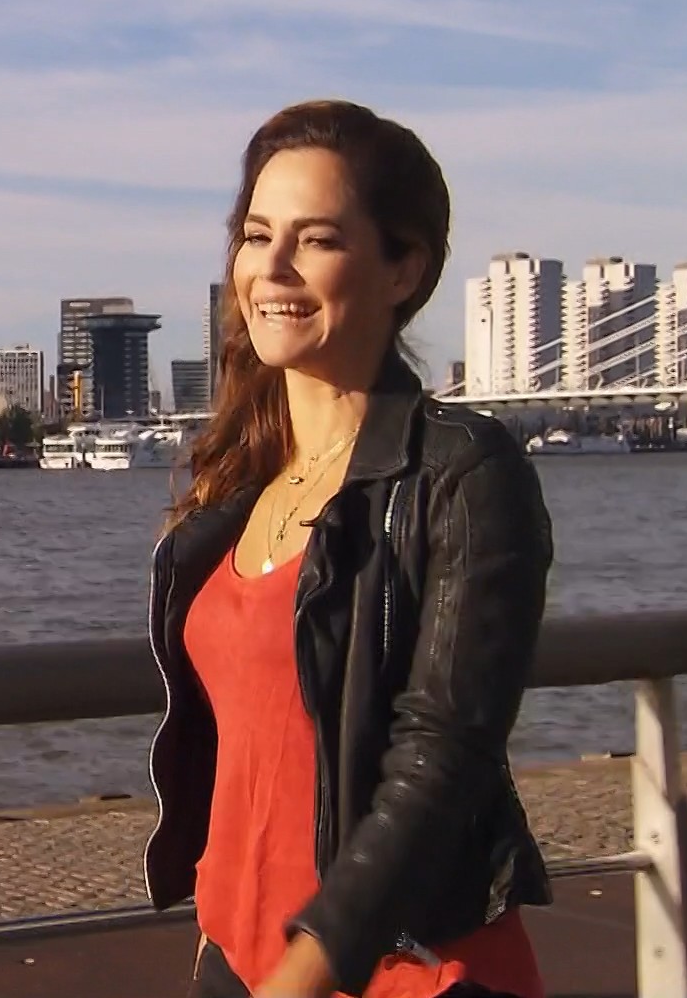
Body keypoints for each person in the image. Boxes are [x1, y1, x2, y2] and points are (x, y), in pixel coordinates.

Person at [145, 101, 553, 998]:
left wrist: (305, 972)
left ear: (404, 267)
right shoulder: (241, 487)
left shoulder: (463, 474)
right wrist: (222, 940)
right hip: (242, 962)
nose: (272, 267)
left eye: (318, 240)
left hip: (405, 971)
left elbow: (444, 757)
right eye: (257, 236)